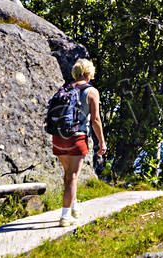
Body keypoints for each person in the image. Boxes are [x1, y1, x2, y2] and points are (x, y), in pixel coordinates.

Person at [51, 58, 107, 227]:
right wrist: (102, 143)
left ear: (75, 72)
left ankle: (74, 207)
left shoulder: (65, 89)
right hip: (77, 137)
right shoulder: (91, 92)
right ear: (89, 73)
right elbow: (96, 119)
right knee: (72, 177)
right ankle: (65, 216)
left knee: (68, 175)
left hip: (59, 137)